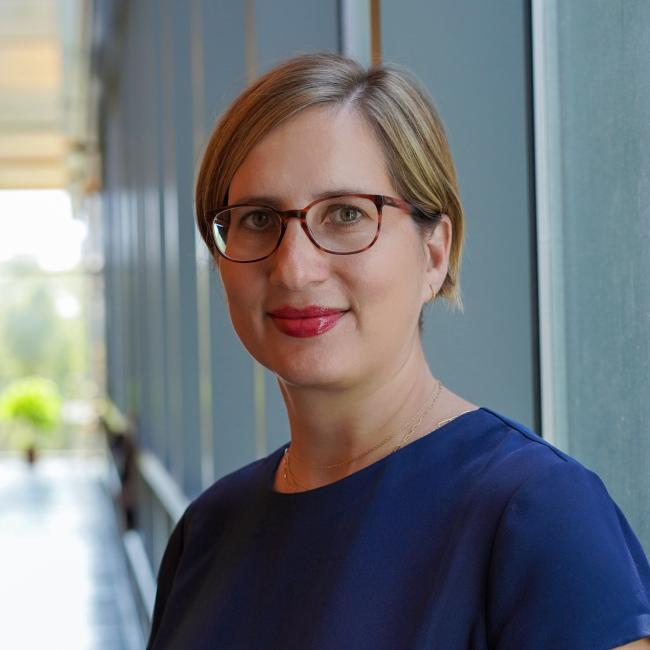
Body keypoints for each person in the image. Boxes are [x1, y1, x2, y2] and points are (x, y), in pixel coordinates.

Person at [146, 52, 650, 649]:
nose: (295, 268)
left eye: (345, 214)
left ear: (435, 252)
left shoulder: (539, 514)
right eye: (257, 219)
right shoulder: (209, 529)